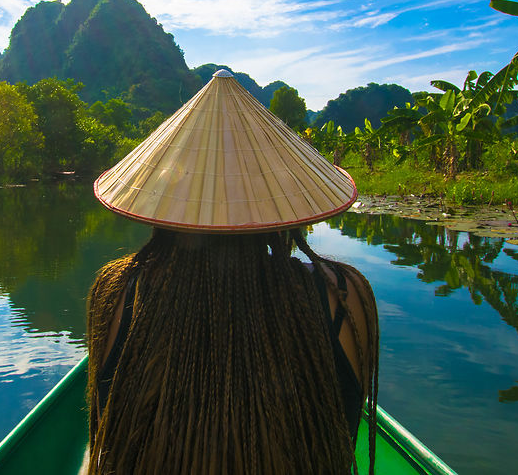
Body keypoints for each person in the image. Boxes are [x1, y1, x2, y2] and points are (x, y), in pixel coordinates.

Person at [86, 70, 379, 474]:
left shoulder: (116, 291)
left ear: (163, 204)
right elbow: (344, 425)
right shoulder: (343, 295)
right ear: (282, 205)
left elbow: (105, 422)